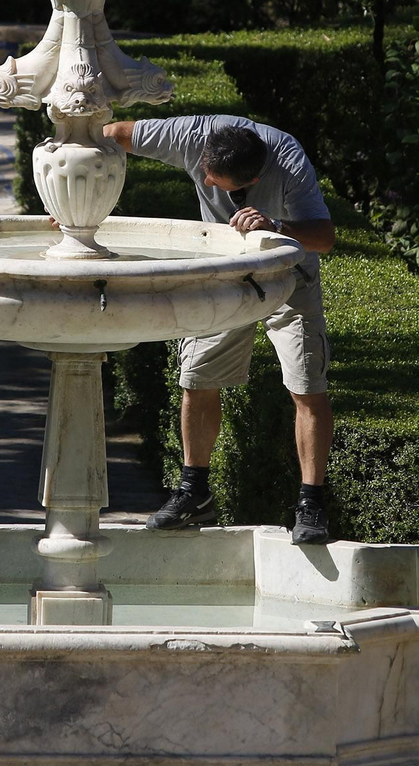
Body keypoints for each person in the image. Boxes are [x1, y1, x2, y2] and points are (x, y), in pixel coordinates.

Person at [103, 115, 338, 544]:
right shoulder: (193, 136)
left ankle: (312, 505)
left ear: (253, 179)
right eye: (205, 171)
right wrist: (80, 207)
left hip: (289, 277)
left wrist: (276, 226)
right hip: (224, 277)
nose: (206, 181)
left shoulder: (288, 160)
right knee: (196, 378)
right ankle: (194, 492)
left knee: (308, 387)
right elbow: (109, 134)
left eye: (217, 180)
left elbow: (324, 236)